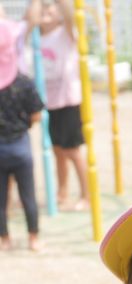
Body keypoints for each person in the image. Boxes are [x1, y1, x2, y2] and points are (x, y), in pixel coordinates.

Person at [25, 0, 88, 211]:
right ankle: (62, 191)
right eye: (41, 6)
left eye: (49, 5)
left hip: (67, 100)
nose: (45, 9)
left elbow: (70, 15)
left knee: (72, 151)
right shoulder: (36, 38)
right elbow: (30, 20)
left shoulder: (65, 33)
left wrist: (60, 3)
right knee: (57, 151)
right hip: (48, 103)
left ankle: (86, 194)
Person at [0, 19, 43, 251]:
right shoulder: (24, 83)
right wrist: (22, 124)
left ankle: (4, 240)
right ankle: (33, 238)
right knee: (28, 195)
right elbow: (36, 115)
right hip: (20, 147)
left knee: (0, 199)